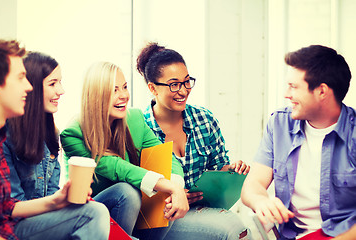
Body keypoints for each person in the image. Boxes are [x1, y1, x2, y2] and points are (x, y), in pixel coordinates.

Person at [0, 39, 110, 240]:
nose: (28, 87)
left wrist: (58, 201)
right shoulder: (2, 137)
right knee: (93, 214)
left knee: (101, 207)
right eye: (20, 78)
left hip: (20, 225)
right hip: (17, 228)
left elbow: (5, 207)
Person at [60, 61, 189, 238]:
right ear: (96, 96)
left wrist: (176, 187)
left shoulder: (135, 119)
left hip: (135, 215)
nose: (123, 96)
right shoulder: (74, 133)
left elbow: (167, 158)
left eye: (125, 87)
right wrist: (171, 188)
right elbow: (118, 168)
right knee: (126, 192)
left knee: (163, 194)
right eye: (114, 90)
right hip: (93, 214)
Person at [137, 42, 251, 240]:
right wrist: (174, 195)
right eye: (174, 84)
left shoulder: (204, 119)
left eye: (187, 81)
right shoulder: (140, 127)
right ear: (152, 88)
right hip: (163, 220)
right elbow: (134, 188)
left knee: (237, 227)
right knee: (233, 227)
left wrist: (232, 172)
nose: (183, 91)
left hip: (204, 210)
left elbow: (218, 168)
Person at [240, 45, 356, 239]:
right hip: (291, 235)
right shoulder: (279, 124)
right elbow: (251, 187)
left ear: (322, 92)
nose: (286, 94)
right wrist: (261, 201)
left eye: (293, 86)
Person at [3, 51, 64, 201]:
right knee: (92, 211)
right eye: (52, 84)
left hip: (45, 215)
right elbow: (14, 203)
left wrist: (63, 200)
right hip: (21, 220)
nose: (61, 91)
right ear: (32, 87)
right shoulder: (5, 135)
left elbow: (52, 192)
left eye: (60, 82)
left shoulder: (52, 133)